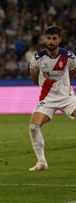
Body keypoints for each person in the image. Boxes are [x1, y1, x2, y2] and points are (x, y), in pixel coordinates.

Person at [29, 25, 76, 171]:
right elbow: (34, 78)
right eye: (48, 38)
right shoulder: (37, 58)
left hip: (67, 97)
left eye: (54, 38)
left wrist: (64, 88)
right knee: (33, 127)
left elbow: (73, 73)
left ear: (60, 39)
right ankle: (41, 162)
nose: (51, 41)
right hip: (47, 99)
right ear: (45, 39)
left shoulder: (69, 57)